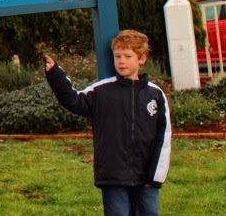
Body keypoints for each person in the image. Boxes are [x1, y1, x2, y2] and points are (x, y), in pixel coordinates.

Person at [43, 30, 171, 216]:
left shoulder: (155, 94)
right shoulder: (102, 91)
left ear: (141, 59)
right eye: (117, 56)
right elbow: (74, 101)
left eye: (128, 56)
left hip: (146, 178)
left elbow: (164, 137)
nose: (121, 61)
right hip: (113, 175)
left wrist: (155, 176)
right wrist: (56, 75)